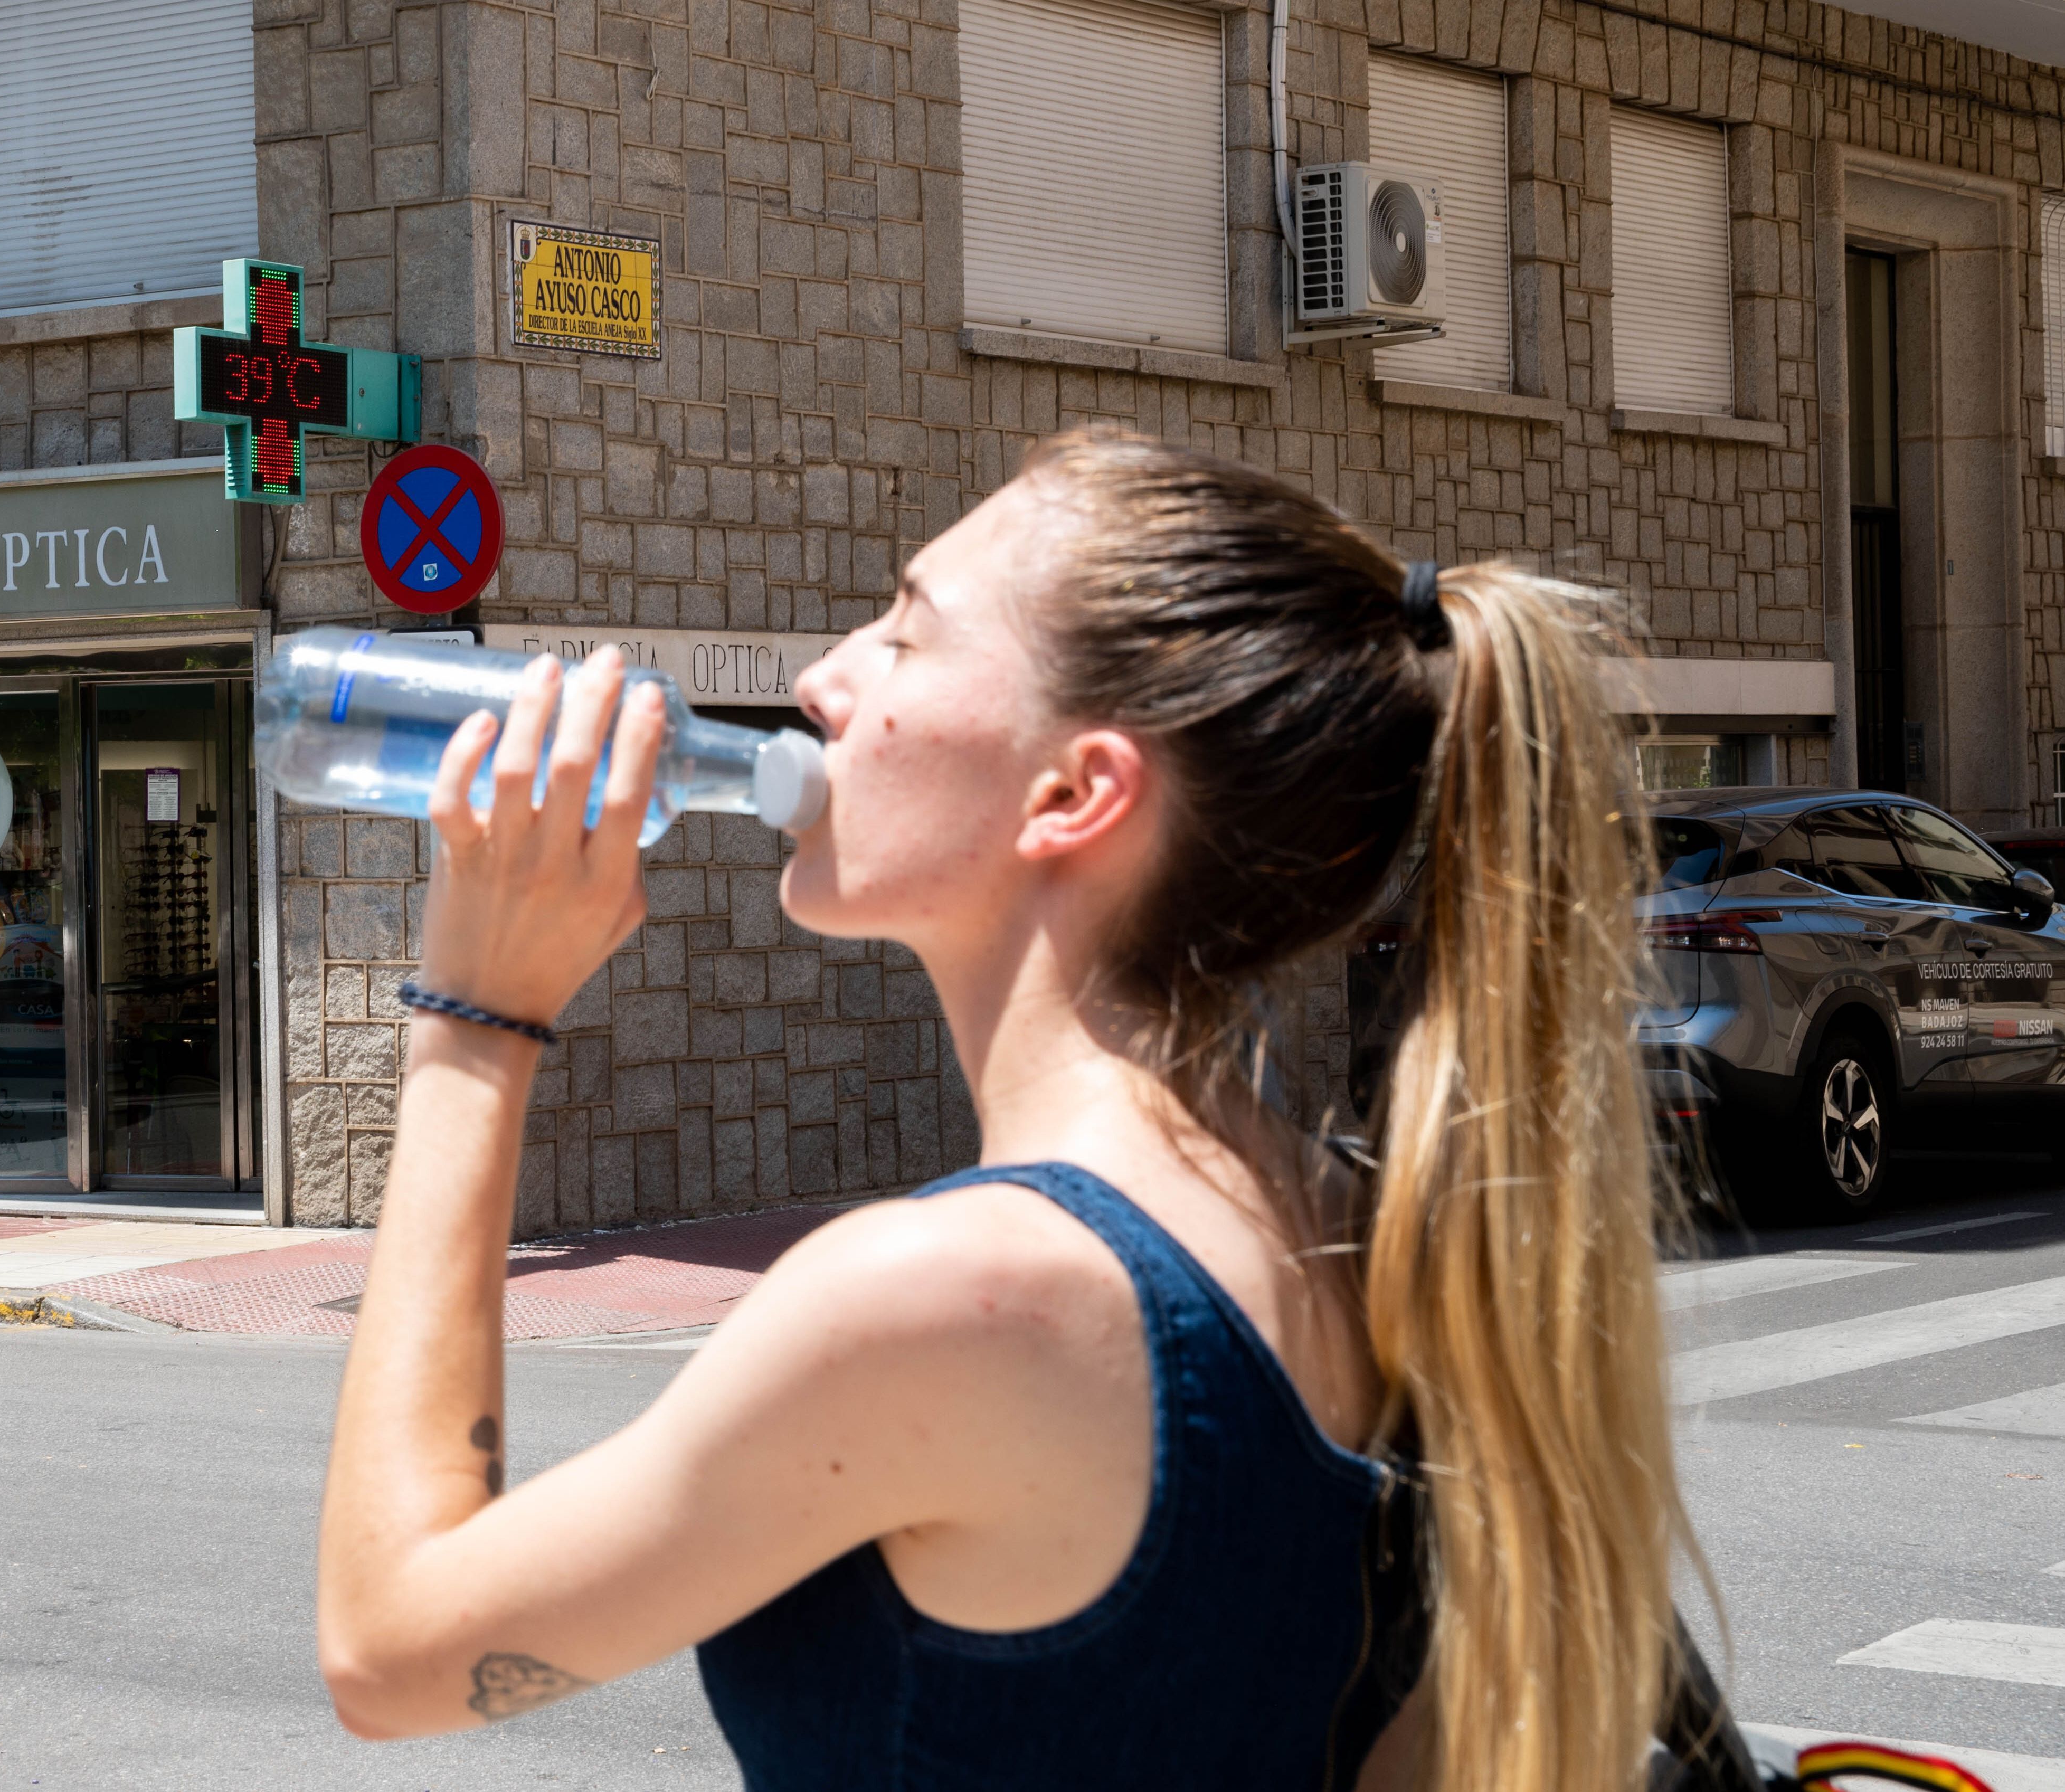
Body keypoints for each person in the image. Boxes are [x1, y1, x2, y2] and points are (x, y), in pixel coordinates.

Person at [315, 428, 1690, 1792]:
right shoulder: (1337, 1220)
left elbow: (390, 1650)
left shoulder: (956, 1295)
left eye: (904, 635)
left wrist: (477, 1013)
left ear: (1076, 792)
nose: (821, 678)